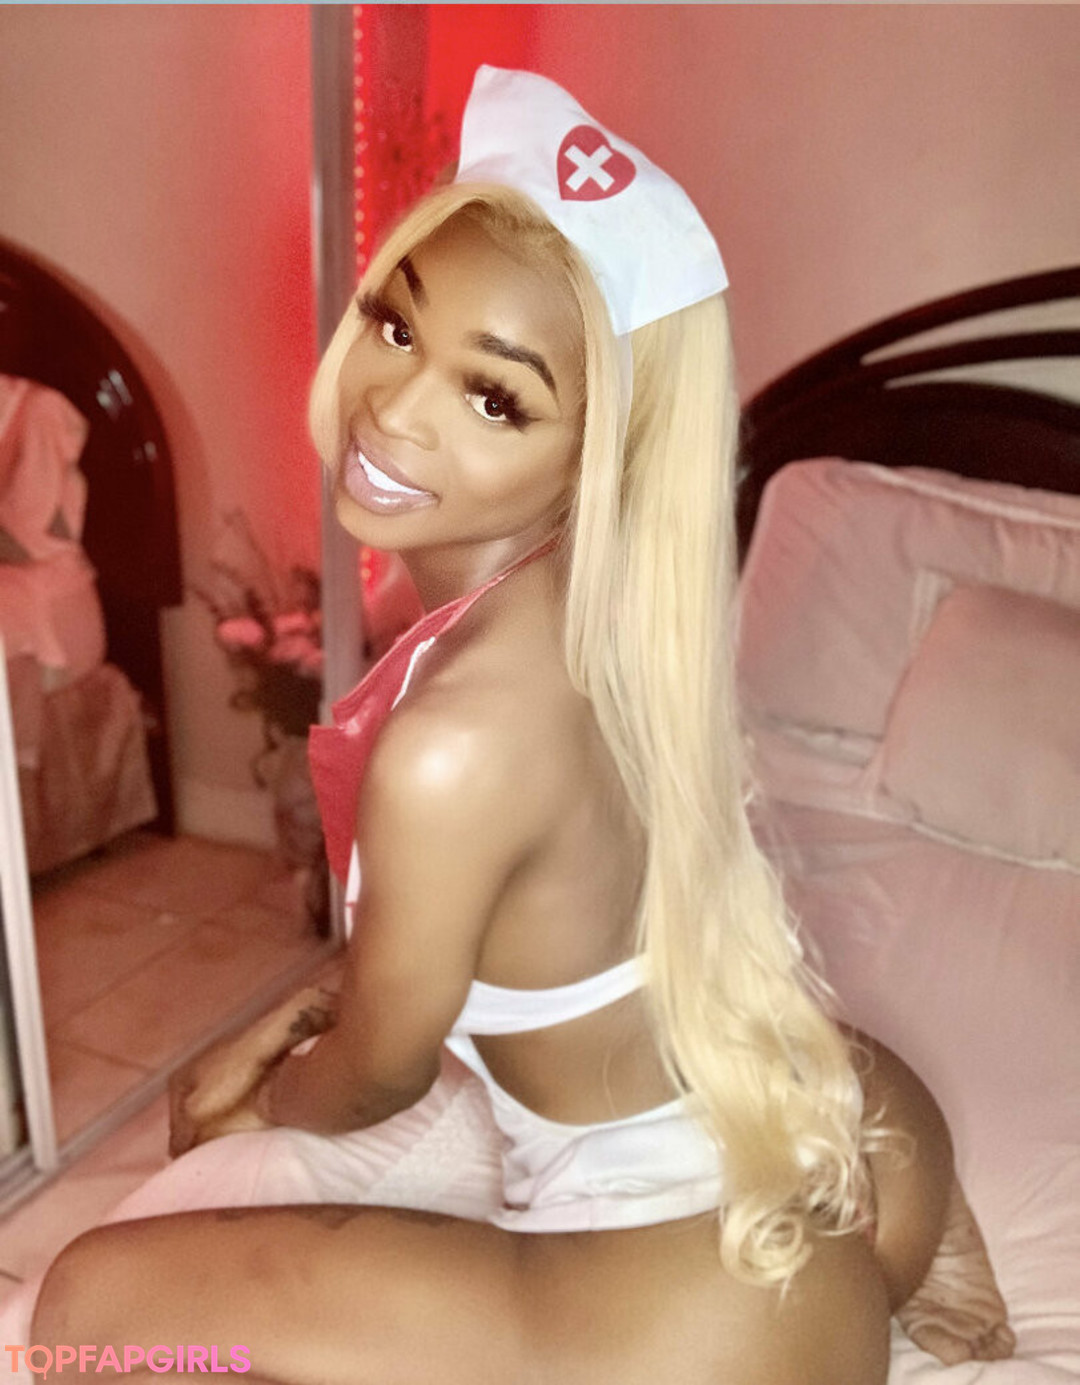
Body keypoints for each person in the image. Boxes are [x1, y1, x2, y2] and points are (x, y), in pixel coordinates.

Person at [30, 67, 1011, 1384]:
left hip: (695, 1318)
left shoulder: (458, 739)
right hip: (857, 1167)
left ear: (597, 454)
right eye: (396, 324)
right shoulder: (607, 627)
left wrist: (252, 1106)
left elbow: (376, 1076)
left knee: (86, 1305)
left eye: (495, 399)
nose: (396, 407)